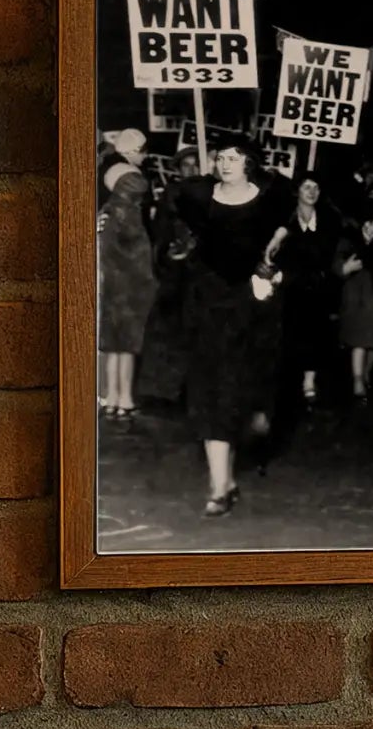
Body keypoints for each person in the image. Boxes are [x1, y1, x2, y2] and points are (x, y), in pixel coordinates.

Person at [175, 133, 286, 517]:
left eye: (234, 158)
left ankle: (228, 475)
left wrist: (274, 255)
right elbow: (183, 241)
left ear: (249, 164)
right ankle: (219, 485)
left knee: (238, 397)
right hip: (207, 308)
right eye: (221, 157)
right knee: (211, 393)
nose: (225, 164)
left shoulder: (266, 202)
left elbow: (282, 240)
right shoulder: (199, 199)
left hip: (249, 313)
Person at [96, 157, 159, 419]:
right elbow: (141, 258)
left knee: (113, 347)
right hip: (131, 290)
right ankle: (125, 399)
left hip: (111, 289)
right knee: (128, 348)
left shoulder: (107, 213)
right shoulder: (131, 215)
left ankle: (112, 398)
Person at [281, 173, 341, 411]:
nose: (312, 192)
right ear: (297, 191)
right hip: (289, 288)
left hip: (317, 289)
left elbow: (329, 255)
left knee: (315, 334)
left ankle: (309, 382)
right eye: (307, 187)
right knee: (289, 334)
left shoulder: (328, 221)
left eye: (316, 187)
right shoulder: (286, 220)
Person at [338, 187, 373, 403]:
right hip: (356, 290)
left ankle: (366, 373)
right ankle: (358, 380)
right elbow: (339, 258)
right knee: (358, 337)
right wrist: (343, 268)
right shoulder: (351, 232)